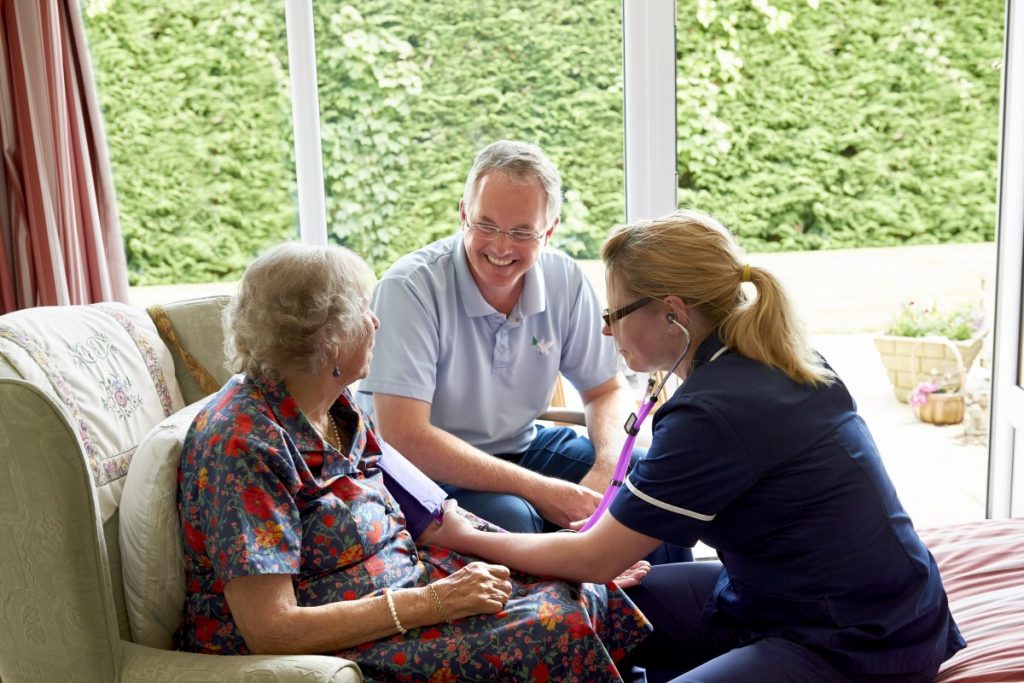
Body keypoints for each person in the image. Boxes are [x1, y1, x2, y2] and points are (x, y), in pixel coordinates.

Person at [438, 208, 967, 682]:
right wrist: (604, 549)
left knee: (596, 592)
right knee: (597, 610)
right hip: (790, 596)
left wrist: (467, 536)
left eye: (615, 313)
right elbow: (606, 556)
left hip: (854, 638)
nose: (607, 331)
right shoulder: (771, 361)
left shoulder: (715, 410)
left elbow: (595, 559)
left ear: (672, 313)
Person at [173, 243, 651, 681]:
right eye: (364, 309)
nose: (376, 322)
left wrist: (566, 557)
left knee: (581, 589)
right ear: (330, 338)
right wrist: (434, 602)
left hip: (407, 582)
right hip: (345, 629)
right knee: (552, 624)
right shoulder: (242, 444)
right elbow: (271, 630)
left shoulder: (339, 408)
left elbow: (441, 521)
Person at [358, 139, 649, 535]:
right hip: (417, 470)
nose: (501, 246)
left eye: (522, 232)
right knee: (514, 517)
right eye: (486, 225)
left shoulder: (566, 279)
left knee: (643, 483)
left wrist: (606, 470)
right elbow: (405, 438)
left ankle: (656, 595)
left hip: (520, 447)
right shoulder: (409, 288)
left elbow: (606, 391)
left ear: (550, 230)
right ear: (463, 213)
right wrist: (543, 492)